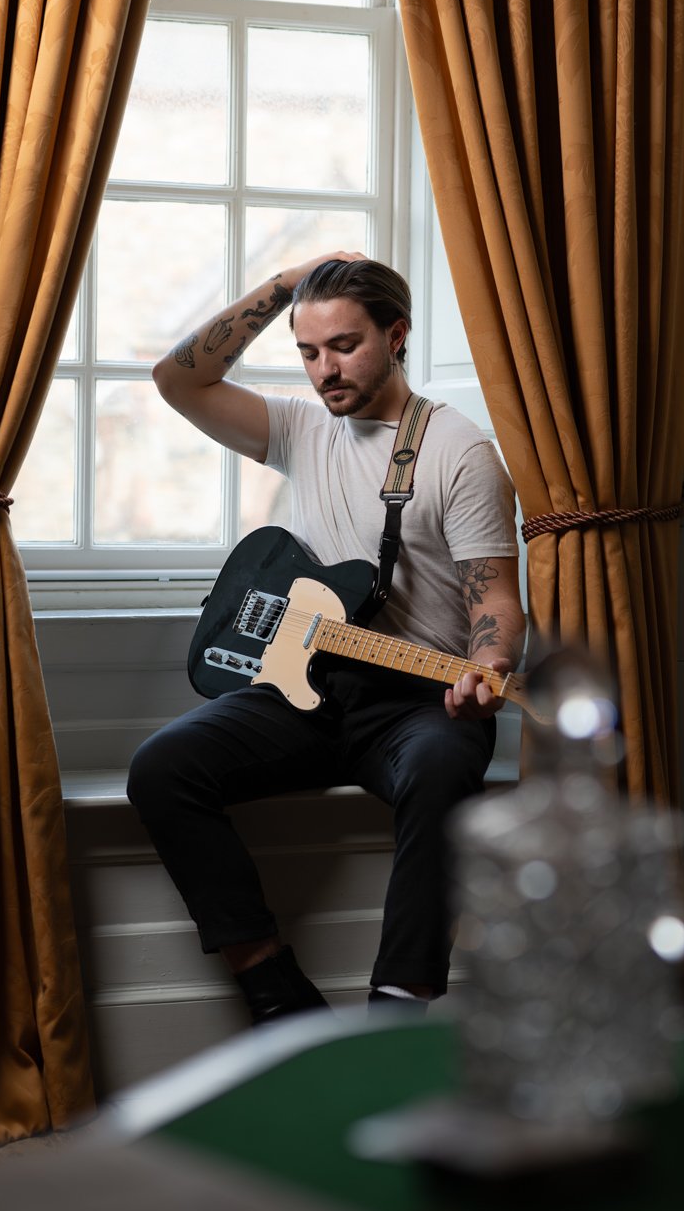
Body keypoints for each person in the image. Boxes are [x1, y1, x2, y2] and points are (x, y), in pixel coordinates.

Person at [126, 252, 525, 1024]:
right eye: (309, 352)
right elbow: (178, 382)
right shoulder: (302, 429)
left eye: (344, 345)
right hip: (305, 689)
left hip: (419, 702)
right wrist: (288, 284)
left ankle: (400, 1005)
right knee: (163, 767)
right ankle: (272, 987)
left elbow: (496, 595)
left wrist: (490, 663)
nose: (324, 371)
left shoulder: (458, 451)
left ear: (397, 334)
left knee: (444, 776)